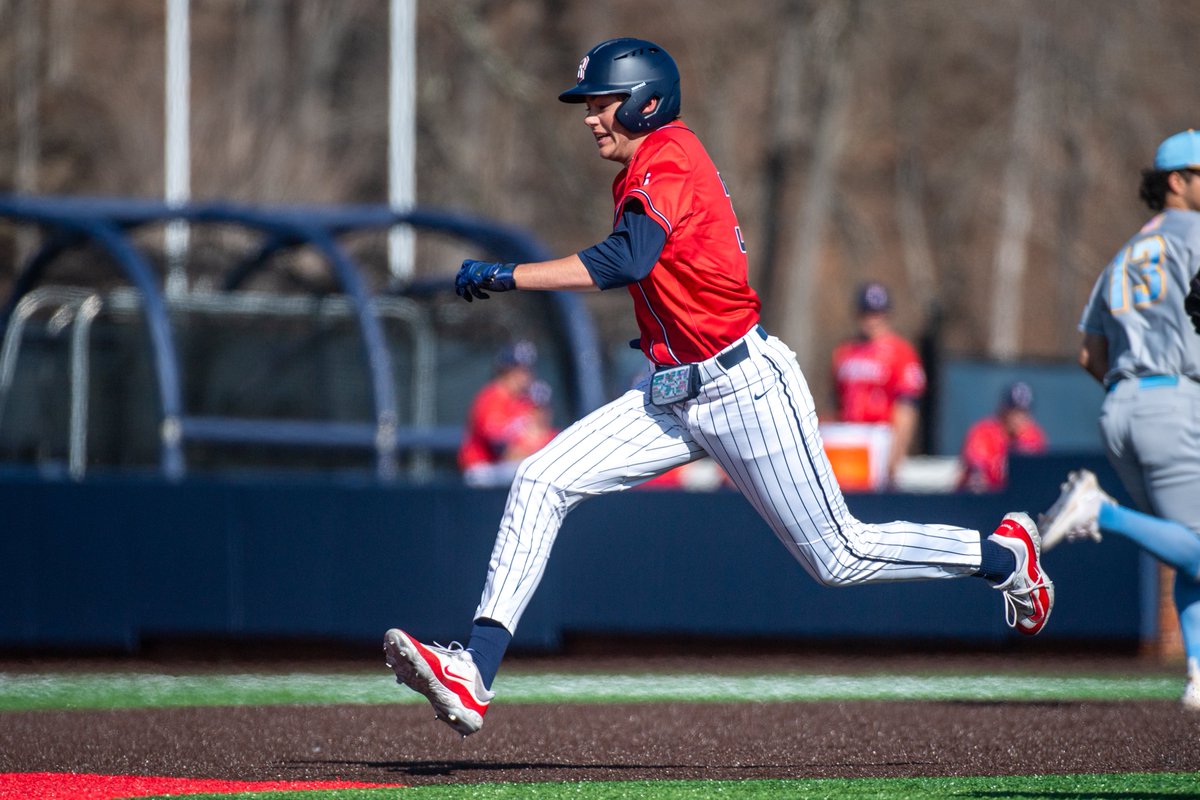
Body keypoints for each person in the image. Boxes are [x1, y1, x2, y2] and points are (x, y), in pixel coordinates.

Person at [382, 37, 1054, 737]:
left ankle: (1005, 557)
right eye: (589, 104)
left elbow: (629, 258)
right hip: (672, 394)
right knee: (541, 479)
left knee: (840, 557)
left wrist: (509, 275)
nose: (589, 117)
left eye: (602, 101)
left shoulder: (669, 151)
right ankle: (476, 670)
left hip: (744, 387)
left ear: (647, 101)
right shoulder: (639, 169)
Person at [1038, 129, 1200, 712]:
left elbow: (1089, 353)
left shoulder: (1125, 252)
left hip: (1121, 405)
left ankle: (1199, 676)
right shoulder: (1197, 234)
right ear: (1176, 182)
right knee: (1199, 548)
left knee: (1188, 548)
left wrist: (1129, 394)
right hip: (1174, 399)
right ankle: (1098, 509)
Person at [830, 281, 926, 487]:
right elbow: (838, 401)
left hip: (880, 436)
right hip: (848, 435)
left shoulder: (901, 352)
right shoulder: (845, 351)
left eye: (877, 313)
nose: (871, 319)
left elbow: (906, 409)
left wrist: (897, 452)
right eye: (866, 313)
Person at [458, 341, 557, 488]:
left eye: (528, 370)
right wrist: (530, 446)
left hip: (503, 470)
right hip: (482, 470)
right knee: (532, 473)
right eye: (520, 370)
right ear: (506, 371)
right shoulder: (490, 398)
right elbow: (501, 449)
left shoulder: (522, 402)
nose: (526, 375)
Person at [957, 381, 1048, 493]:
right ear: (1003, 409)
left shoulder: (1033, 436)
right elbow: (976, 474)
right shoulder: (983, 432)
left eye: (1023, 412)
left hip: (1017, 500)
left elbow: (1036, 476)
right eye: (1013, 411)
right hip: (982, 500)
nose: (1018, 417)